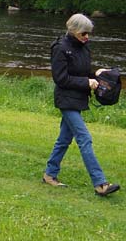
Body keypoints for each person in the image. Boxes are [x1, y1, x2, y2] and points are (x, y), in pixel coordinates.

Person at [42, 13, 121, 197]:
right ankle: (100, 183)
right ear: (74, 30)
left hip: (78, 99)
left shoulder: (84, 47)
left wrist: (97, 75)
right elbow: (61, 79)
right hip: (66, 99)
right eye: (84, 33)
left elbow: (83, 72)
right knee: (85, 138)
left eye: (89, 33)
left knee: (64, 140)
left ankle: (49, 174)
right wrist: (86, 82)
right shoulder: (60, 48)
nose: (87, 37)